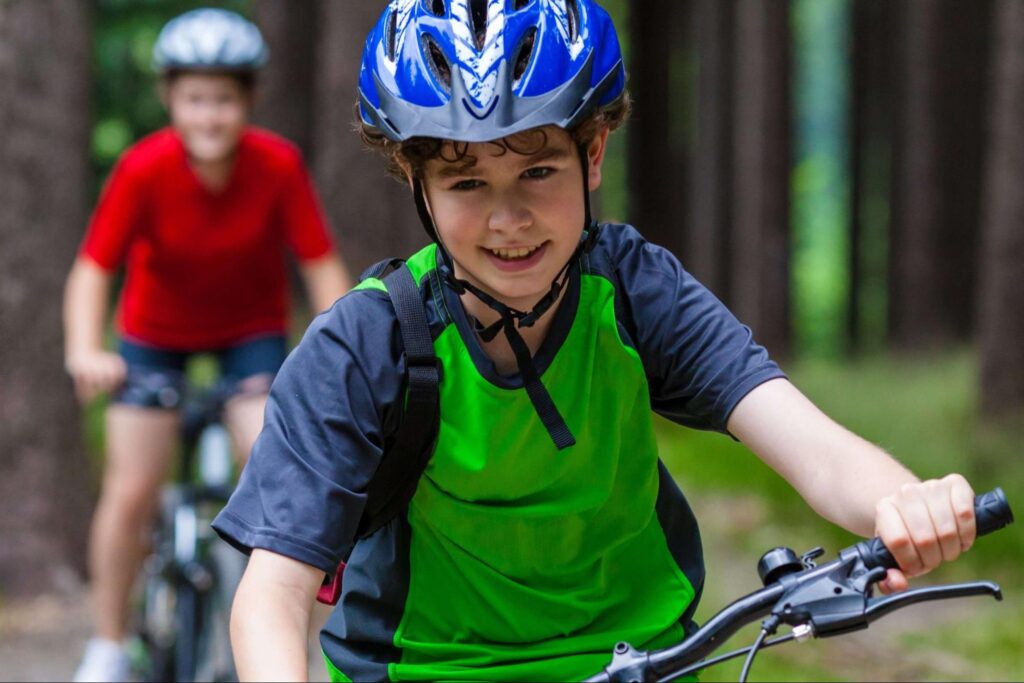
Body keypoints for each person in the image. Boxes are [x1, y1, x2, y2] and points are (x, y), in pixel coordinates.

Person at [212, 1, 978, 681]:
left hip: (643, 661)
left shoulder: (637, 292)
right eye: (467, 183)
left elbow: (810, 444)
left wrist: (902, 501)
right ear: (414, 182)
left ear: (595, 153)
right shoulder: (364, 341)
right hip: (430, 669)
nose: (508, 220)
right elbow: (273, 594)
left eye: (538, 171)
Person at [65, 8, 351, 682]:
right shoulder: (142, 169)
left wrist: (339, 346)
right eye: (194, 98)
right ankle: (107, 642)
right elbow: (93, 269)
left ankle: (279, 638)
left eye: (224, 99)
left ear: (248, 100)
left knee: (276, 466)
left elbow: (321, 265)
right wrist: (86, 348)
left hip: (249, 339)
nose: (210, 116)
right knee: (132, 488)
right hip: (152, 337)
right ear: (170, 99)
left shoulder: (277, 166)